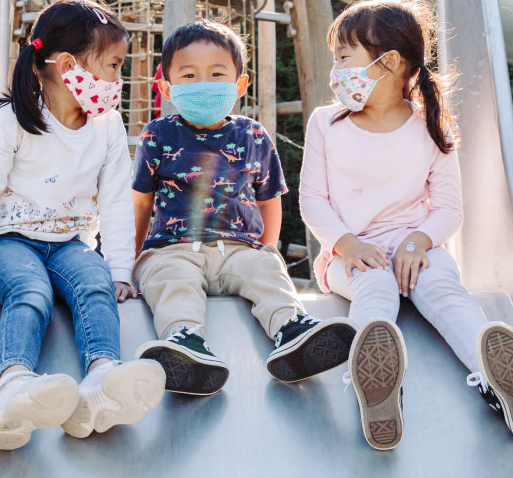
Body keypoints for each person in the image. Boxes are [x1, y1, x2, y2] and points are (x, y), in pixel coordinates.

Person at [300, 0, 513, 450]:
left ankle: (496, 374)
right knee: (372, 288)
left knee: (442, 288)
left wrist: (418, 242)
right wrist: (346, 244)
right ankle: (374, 381)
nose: (337, 72)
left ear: (389, 63)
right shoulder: (325, 123)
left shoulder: (431, 125)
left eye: (344, 57)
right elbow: (312, 200)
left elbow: (449, 207)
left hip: (417, 247)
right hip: (349, 252)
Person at [0, 0, 165, 450]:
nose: (118, 79)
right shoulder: (10, 123)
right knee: (31, 292)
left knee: (95, 286)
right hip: (10, 242)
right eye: (112, 65)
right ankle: (13, 385)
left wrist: (120, 272)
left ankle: (102, 380)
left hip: (70, 241)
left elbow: (113, 201)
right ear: (68, 64)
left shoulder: (106, 126)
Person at [131, 20, 355, 397]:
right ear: (166, 88)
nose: (204, 83)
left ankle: (292, 329)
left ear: (240, 84)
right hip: (174, 248)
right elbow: (141, 203)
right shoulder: (158, 134)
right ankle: (185, 342)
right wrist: (134, 259)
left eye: (217, 74)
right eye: (189, 75)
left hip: (238, 249)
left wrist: (266, 249)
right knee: (172, 282)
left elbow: (269, 199)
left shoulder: (251, 135)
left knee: (266, 272)